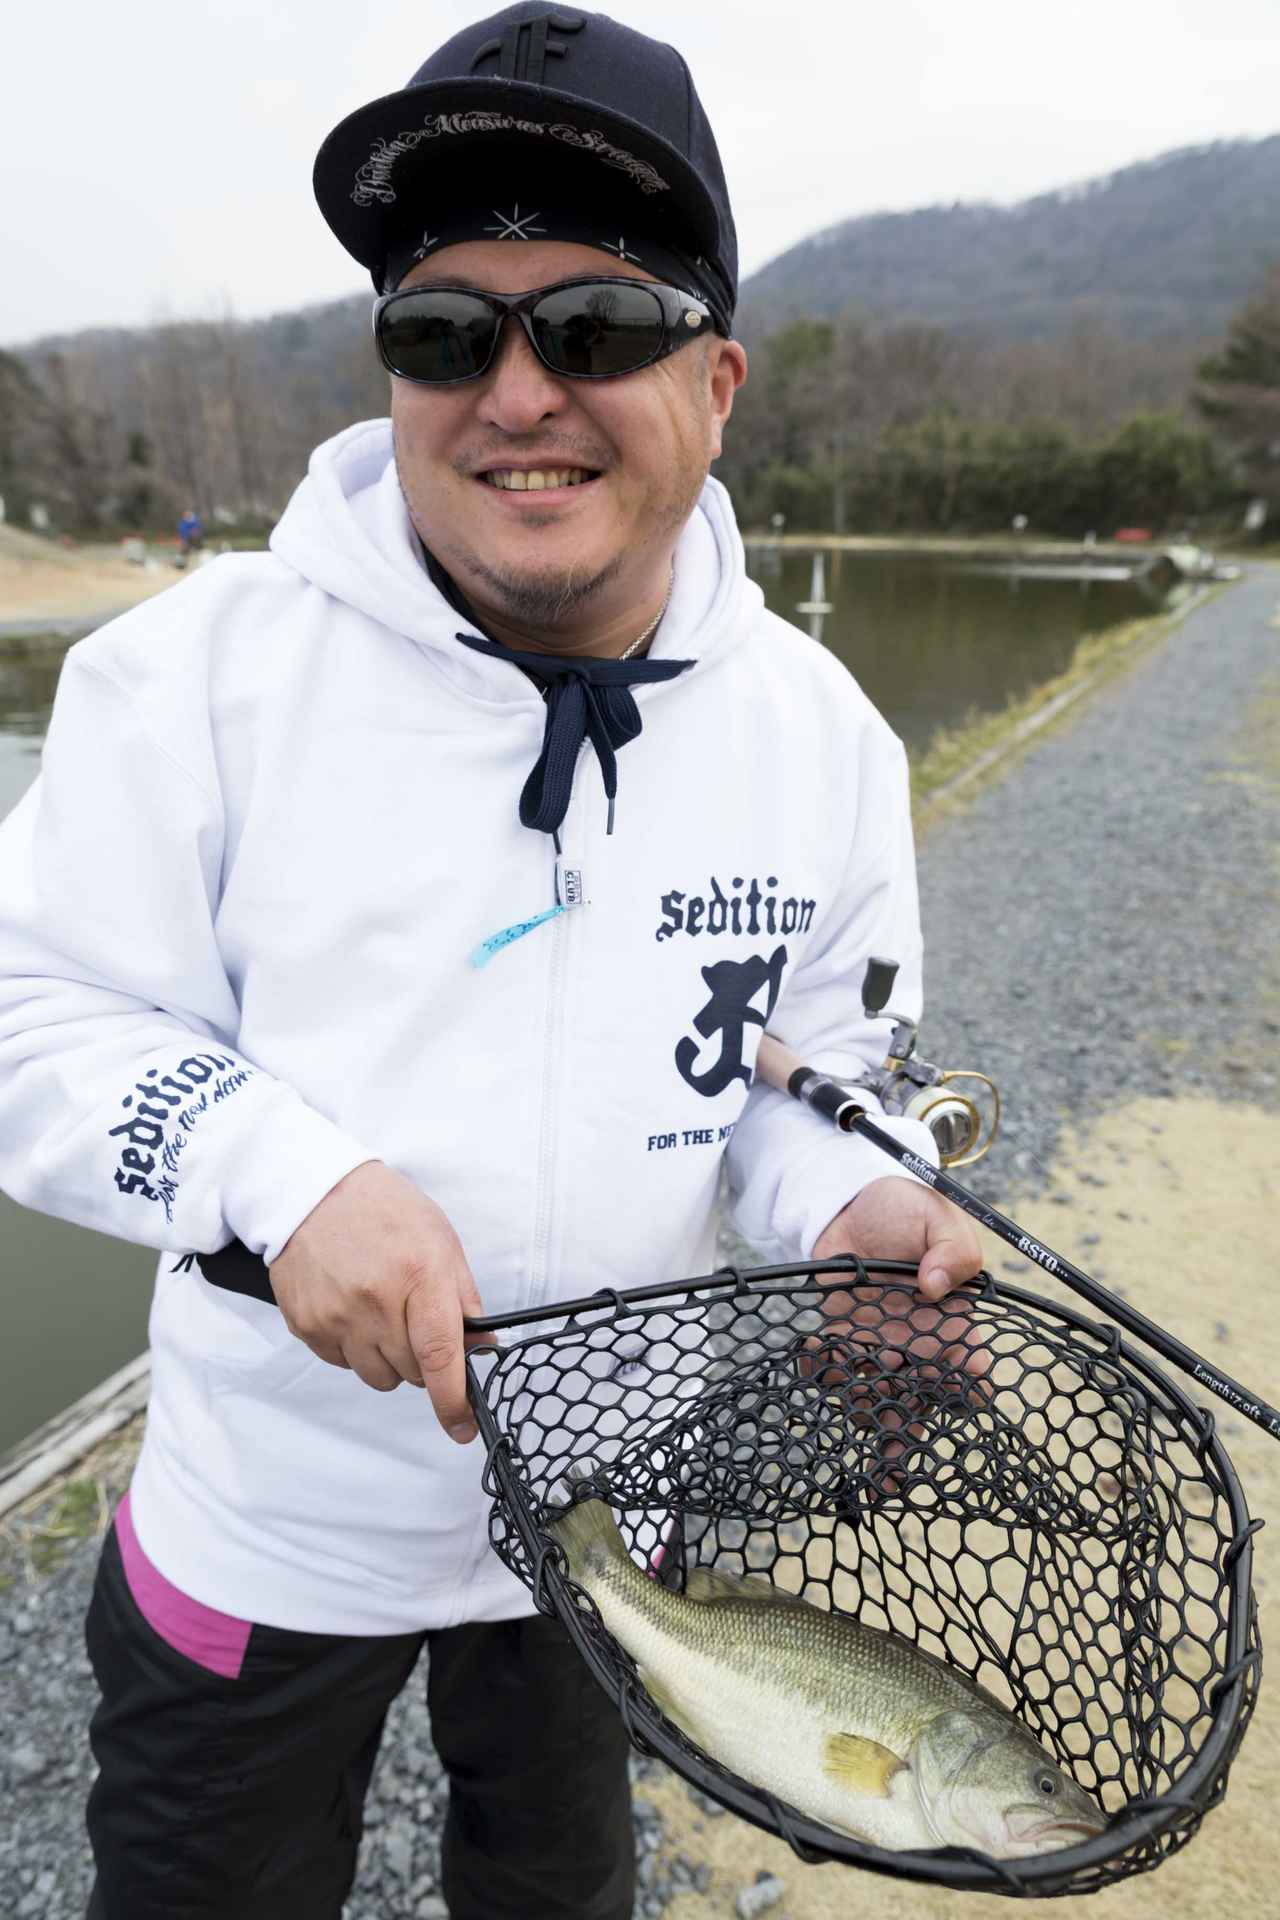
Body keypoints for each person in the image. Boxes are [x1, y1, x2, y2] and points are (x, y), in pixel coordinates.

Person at [0, 7, 983, 1917]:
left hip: (610, 1542)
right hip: (265, 1527)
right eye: (445, 332)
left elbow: (785, 1089)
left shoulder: (826, 739)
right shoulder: (186, 682)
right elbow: (24, 1015)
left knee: (556, 1890)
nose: (518, 393)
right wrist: (284, 1181)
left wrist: (857, 1199)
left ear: (717, 382)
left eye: (596, 328)